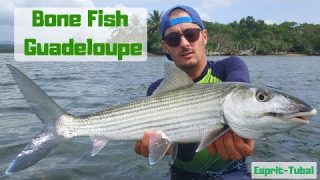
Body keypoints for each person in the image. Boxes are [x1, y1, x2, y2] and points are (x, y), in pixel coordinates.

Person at [135, 5, 255, 179]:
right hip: (182, 174)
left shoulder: (230, 67)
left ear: (204, 36)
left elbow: (240, 101)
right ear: (165, 47)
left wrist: (248, 128)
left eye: (191, 34)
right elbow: (181, 153)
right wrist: (160, 146)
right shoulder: (156, 90)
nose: (184, 43)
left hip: (232, 171)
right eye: (173, 39)